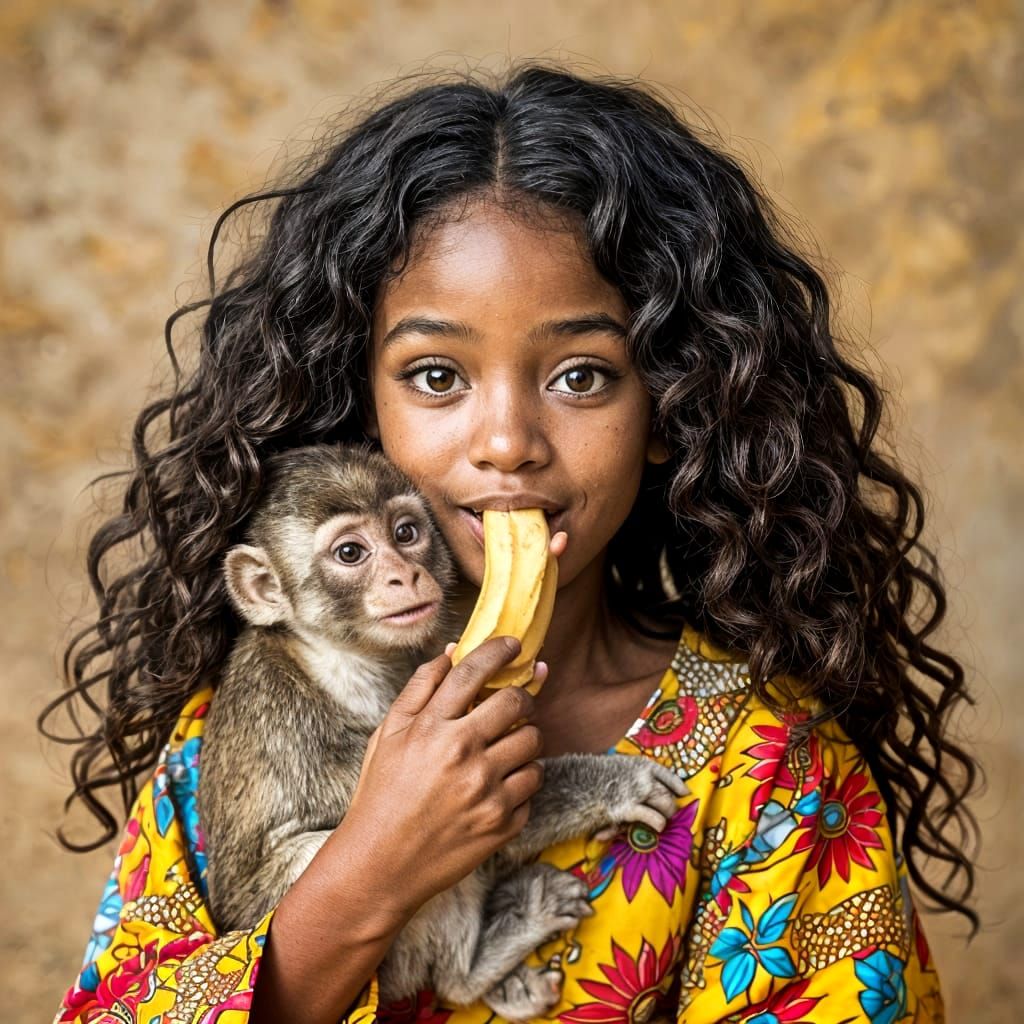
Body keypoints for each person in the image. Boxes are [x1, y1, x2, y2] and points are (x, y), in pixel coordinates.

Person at [43, 62, 979, 1024]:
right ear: (368, 407)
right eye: (438, 375)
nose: (506, 443)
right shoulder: (224, 746)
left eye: (581, 376)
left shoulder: (771, 771)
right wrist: (366, 876)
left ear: (670, 404)